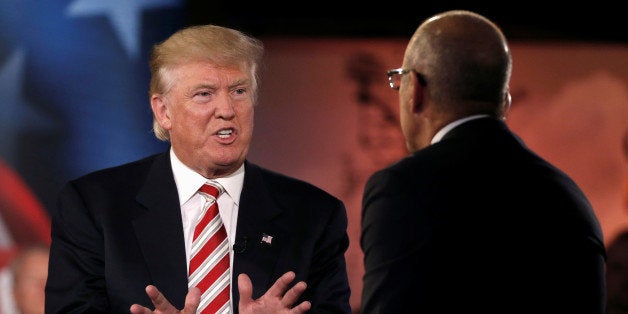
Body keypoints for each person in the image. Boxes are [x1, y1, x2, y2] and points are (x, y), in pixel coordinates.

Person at [45, 24, 351, 313]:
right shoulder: (94, 206)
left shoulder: (314, 215)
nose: (227, 110)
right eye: (204, 94)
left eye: (239, 91)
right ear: (164, 111)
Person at [360, 10, 606, 313]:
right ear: (505, 104)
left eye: (399, 82)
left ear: (416, 91)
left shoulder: (404, 188)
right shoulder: (570, 198)